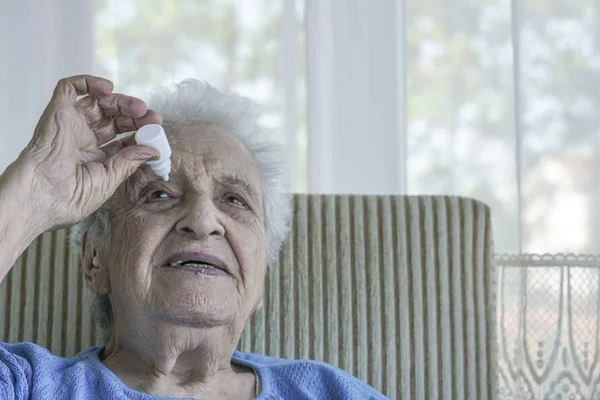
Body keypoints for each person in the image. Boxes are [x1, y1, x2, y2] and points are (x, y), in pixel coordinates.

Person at [0, 75, 387, 399]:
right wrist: (34, 193)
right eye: (160, 194)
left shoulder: (330, 392)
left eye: (234, 200)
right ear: (95, 260)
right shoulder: (29, 385)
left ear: (261, 272)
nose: (203, 221)